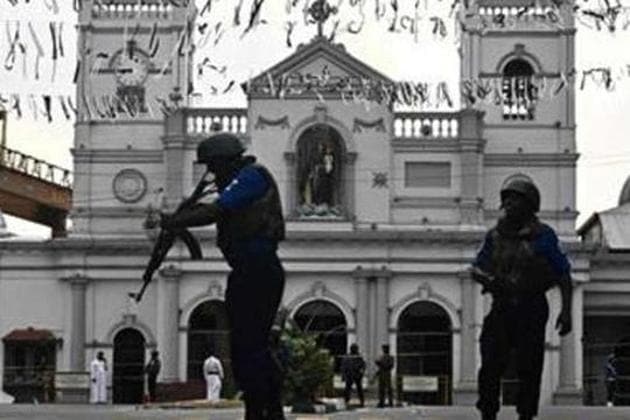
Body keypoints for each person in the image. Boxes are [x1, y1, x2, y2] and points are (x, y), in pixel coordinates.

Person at [160, 132, 285, 419]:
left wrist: (176, 220)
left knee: (250, 348)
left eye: (214, 167)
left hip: (258, 270)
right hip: (247, 270)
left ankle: (263, 410)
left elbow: (219, 209)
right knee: (247, 348)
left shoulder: (252, 177)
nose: (212, 174)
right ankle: (265, 409)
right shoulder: (240, 180)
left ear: (226, 162)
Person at [470, 179, 573, 420]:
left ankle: (526, 414)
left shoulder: (544, 236)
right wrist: (488, 279)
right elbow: (477, 267)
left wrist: (566, 311)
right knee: (490, 364)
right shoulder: (495, 236)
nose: (508, 203)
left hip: (532, 306)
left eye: (514, 199)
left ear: (529, 205)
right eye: (506, 198)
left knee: (529, 365)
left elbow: (563, 273)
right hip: (502, 306)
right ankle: (488, 411)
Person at [340, 343, 366, 407]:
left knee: (359, 389)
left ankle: (362, 401)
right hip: (349, 375)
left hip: (357, 375)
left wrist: (361, 372)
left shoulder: (359, 356)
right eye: (353, 348)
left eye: (355, 348)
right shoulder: (347, 356)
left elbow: (363, 365)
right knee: (347, 389)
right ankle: (346, 401)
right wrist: (343, 375)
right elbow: (343, 366)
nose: (354, 350)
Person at [375, 344, 394, 408]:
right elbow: (380, 368)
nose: (384, 350)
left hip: (387, 374)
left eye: (385, 349)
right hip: (381, 374)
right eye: (383, 349)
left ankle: (390, 402)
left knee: (388, 389)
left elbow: (389, 366)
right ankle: (381, 402)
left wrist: (380, 364)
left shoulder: (390, 357)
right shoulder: (381, 357)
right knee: (381, 389)